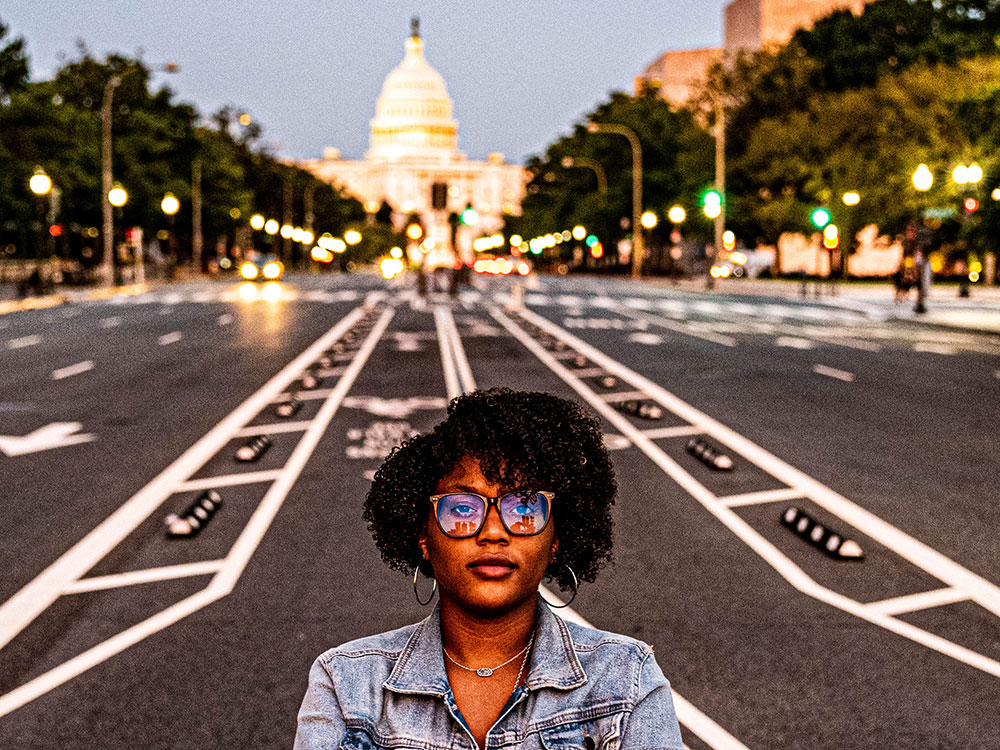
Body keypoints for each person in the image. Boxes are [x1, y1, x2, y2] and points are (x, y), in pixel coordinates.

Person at [294, 388, 684, 749]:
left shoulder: (626, 680)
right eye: (462, 509)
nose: (493, 532)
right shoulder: (346, 684)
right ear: (423, 537)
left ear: (557, 540)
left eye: (525, 508)